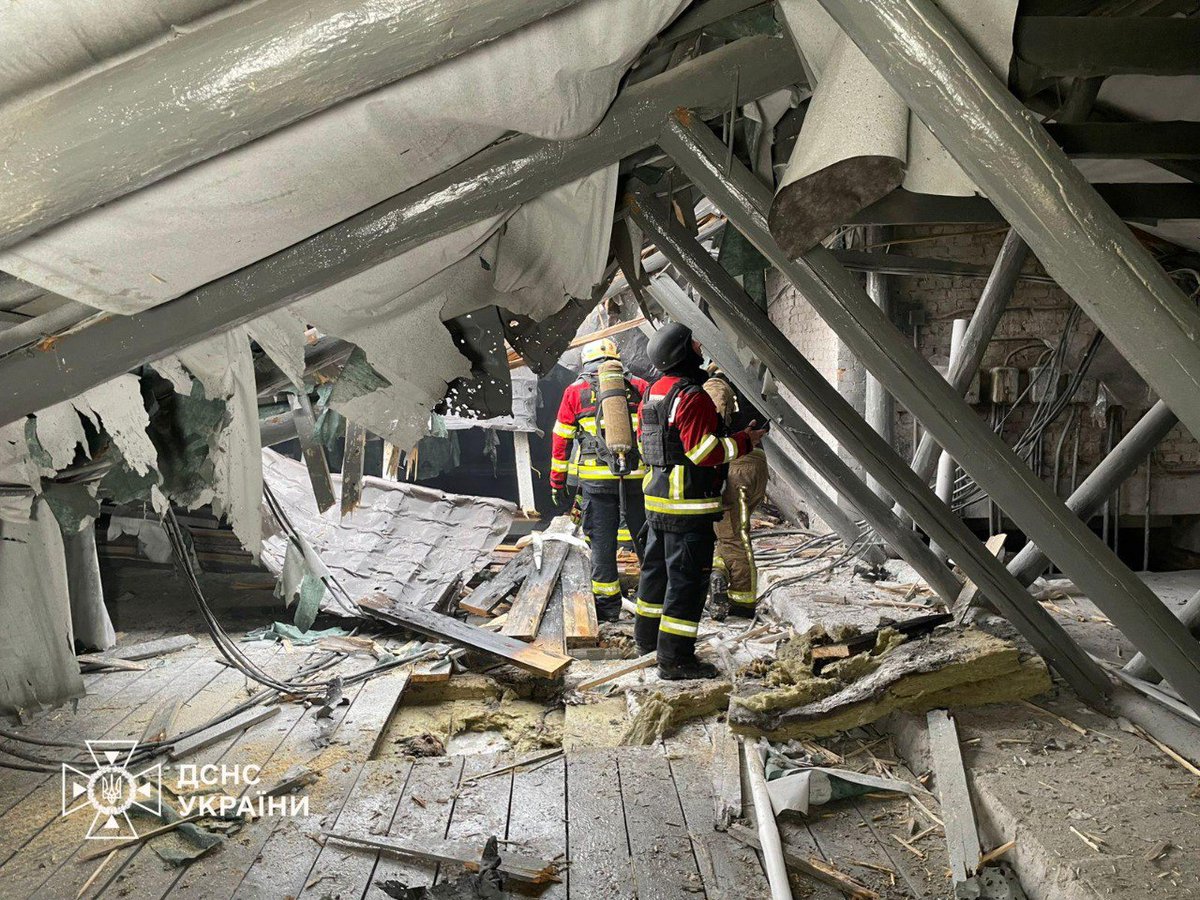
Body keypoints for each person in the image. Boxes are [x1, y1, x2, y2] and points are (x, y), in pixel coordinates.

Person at [634, 323, 766, 679]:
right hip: (688, 505)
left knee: (655, 574)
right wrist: (745, 440)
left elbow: (651, 441)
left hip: (658, 500)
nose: (699, 347)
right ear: (681, 352)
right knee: (687, 584)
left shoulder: (652, 392)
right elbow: (703, 452)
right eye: (693, 343)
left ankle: (646, 640)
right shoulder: (692, 394)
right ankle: (675, 660)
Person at [549, 338, 649, 622]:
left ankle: (607, 609)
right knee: (647, 540)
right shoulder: (640, 387)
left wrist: (557, 482)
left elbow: (562, 441)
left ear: (586, 362)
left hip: (596, 482)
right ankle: (654, 600)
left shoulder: (574, 392)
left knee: (602, 544)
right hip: (637, 478)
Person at [704, 374, 769, 620]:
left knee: (733, 537)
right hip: (757, 465)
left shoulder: (717, 383)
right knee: (729, 532)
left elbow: (714, 418)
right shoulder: (749, 384)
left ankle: (742, 602)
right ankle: (719, 573)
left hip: (735, 467)